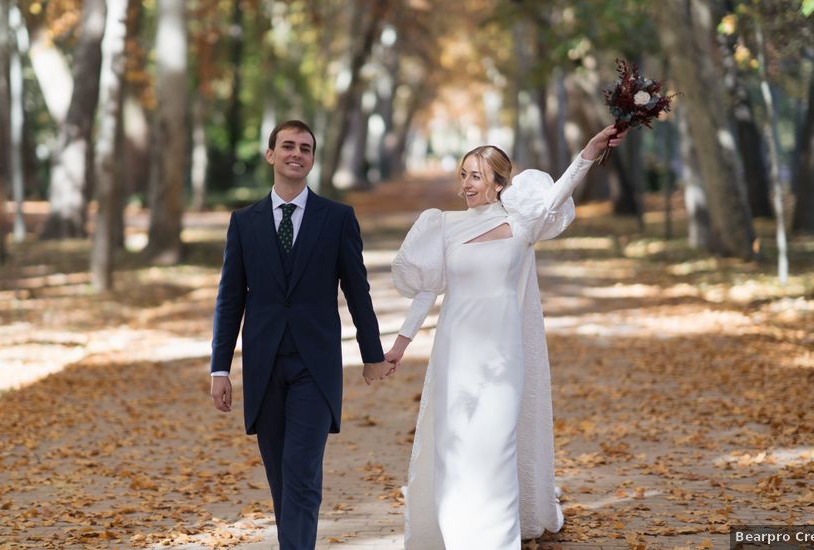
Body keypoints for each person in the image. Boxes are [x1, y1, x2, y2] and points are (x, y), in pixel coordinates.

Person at [385, 125, 627, 549]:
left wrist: (589, 151)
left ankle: (496, 540)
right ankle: (457, 533)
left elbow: (560, 190)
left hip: (503, 354)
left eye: (476, 176)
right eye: (463, 175)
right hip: (454, 353)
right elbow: (428, 290)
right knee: (454, 447)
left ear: (499, 183)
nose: (466, 184)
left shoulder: (523, 224)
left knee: (496, 444)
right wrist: (399, 345)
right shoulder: (444, 226)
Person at [209, 120, 396, 550]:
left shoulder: (338, 218)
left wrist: (373, 354)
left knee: (302, 471)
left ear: (312, 159)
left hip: (315, 366)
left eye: (305, 148)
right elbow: (230, 298)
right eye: (288, 146)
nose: (297, 153)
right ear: (271, 154)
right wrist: (220, 368)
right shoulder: (244, 223)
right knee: (280, 475)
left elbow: (357, 288)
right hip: (263, 365)